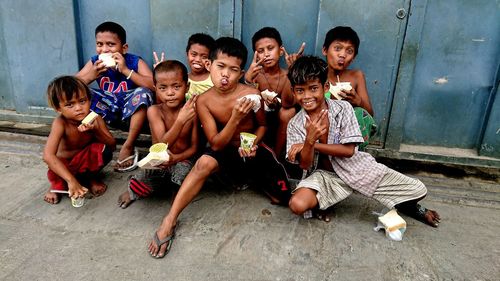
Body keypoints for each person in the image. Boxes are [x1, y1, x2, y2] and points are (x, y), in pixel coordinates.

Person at [147, 37, 291, 259]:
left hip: (252, 150)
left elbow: (262, 125)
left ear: (241, 73)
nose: (225, 75)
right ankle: (169, 220)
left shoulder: (250, 94)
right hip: (224, 149)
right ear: (209, 66)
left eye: (233, 70)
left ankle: (249, 179)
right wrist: (235, 118)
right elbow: (215, 143)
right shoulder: (204, 100)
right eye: (220, 67)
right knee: (204, 162)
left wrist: (254, 141)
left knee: (282, 198)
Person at [286, 55, 440, 228]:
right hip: (324, 177)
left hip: (357, 168)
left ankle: (411, 207)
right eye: (300, 90)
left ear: (325, 86)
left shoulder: (343, 108)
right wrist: (308, 141)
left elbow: (349, 151)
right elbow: (305, 165)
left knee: (418, 190)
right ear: (293, 91)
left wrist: (313, 144)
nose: (307, 96)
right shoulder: (295, 124)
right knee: (297, 204)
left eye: (313, 88)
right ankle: (326, 201)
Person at [117, 60, 199, 209]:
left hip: (183, 159)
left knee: (183, 175)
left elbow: (194, 148)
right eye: (163, 88)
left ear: (187, 87)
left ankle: (176, 194)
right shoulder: (154, 111)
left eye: (176, 87)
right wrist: (180, 121)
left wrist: (176, 158)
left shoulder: (192, 112)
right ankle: (140, 189)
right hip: (158, 161)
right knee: (140, 180)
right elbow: (161, 145)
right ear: (156, 89)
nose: (170, 93)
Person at [76, 21, 154, 172]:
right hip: (108, 109)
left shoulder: (133, 61)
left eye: (111, 45)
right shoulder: (94, 61)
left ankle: (128, 145)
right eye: (100, 44)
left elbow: (153, 85)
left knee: (143, 92)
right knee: (83, 94)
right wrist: (91, 75)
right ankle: (102, 141)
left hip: (132, 111)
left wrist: (125, 70)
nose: (104, 49)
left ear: (123, 48)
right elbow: (69, 86)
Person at [43, 76, 116, 204]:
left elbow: (112, 145)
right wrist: (71, 180)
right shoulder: (60, 123)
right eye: (70, 104)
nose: (78, 108)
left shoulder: (95, 118)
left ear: (89, 100)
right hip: (65, 167)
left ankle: (90, 179)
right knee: (57, 168)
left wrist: (95, 130)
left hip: (84, 164)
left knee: (103, 150)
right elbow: (48, 156)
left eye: (82, 101)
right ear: (58, 108)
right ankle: (57, 186)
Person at [244, 27, 304, 157]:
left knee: (287, 112)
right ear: (256, 54)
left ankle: (277, 156)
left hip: (281, 124)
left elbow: (288, 103)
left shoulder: (287, 75)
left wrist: (292, 71)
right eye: (261, 51)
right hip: (259, 121)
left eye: (270, 48)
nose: (266, 54)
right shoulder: (254, 75)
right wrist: (248, 80)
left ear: (281, 51)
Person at [322, 26, 376, 149]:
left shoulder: (356, 76)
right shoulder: (316, 75)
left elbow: (369, 114)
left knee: (360, 112)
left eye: (349, 51)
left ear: (353, 58)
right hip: (321, 126)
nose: (342, 55)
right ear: (325, 50)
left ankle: (353, 154)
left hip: (347, 131)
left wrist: (358, 101)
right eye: (337, 48)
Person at [153, 33, 215, 100]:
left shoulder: (214, 79)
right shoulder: (180, 79)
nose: (197, 60)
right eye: (194, 54)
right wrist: (161, 72)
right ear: (187, 54)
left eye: (204, 57)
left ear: (210, 59)